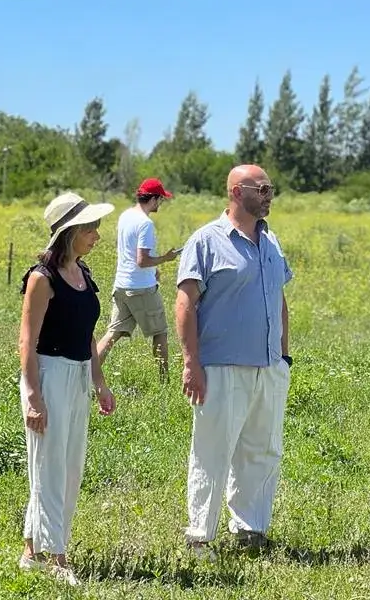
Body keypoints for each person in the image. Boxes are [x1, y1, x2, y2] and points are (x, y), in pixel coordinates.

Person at [174, 164, 293, 557]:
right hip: (221, 367)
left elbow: (279, 298)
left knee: (263, 449)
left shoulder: (270, 241)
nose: (269, 194)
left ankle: (250, 528)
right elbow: (186, 303)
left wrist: (284, 357)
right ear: (237, 192)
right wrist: (191, 363)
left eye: (270, 188)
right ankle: (199, 536)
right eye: (263, 188)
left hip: (269, 366)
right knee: (213, 450)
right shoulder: (206, 241)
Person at [18, 191, 117, 586]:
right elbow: (27, 340)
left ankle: (31, 550)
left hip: (76, 375)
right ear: (70, 232)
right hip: (50, 374)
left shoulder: (84, 272)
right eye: (91, 228)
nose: (97, 234)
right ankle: (58, 558)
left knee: (68, 466)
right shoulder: (42, 278)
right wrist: (33, 395)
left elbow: (87, 334)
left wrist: (99, 382)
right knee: (49, 465)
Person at [97, 178, 179, 381]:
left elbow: (130, 254)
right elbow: (142, 260)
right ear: (154, 199)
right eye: (160, 199)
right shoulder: (146, 224)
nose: (160, 204)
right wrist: (165, 259)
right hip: (141, 289)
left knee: (112, 334)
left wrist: (154, 272)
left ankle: (90, 374)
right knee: (160, 332)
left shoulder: (125, 216)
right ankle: (164, 381)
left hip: (122, 286)